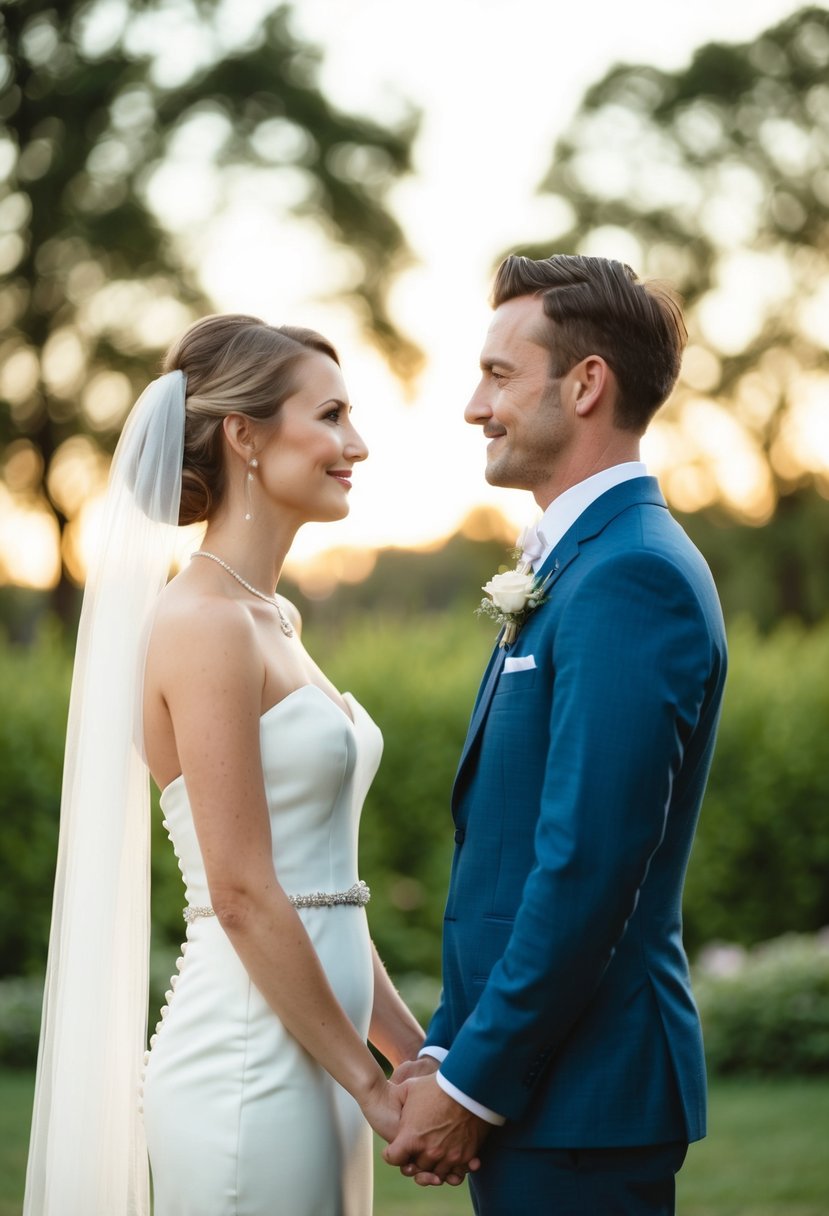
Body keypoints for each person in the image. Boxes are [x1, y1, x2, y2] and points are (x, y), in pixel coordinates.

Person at [24, 315, 427, 1216]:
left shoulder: (270, 618)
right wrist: (367, 1083)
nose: (353, 443)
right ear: (245, 435)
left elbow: (320, 889)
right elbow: (243, 893)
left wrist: (413, 1054)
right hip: (248, 1061)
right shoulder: (202, 623)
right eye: (329, 415)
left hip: (316, 1046)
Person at [385, 254, 728, 1215]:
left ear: (585, 384)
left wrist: (471, 1086)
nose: (471, 406)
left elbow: (588, 864)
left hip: (584, 1099)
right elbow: (504, 859)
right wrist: (449, 1044)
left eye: (498, 374)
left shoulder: (631, 576)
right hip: (549, 1092)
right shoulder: (580, 563)